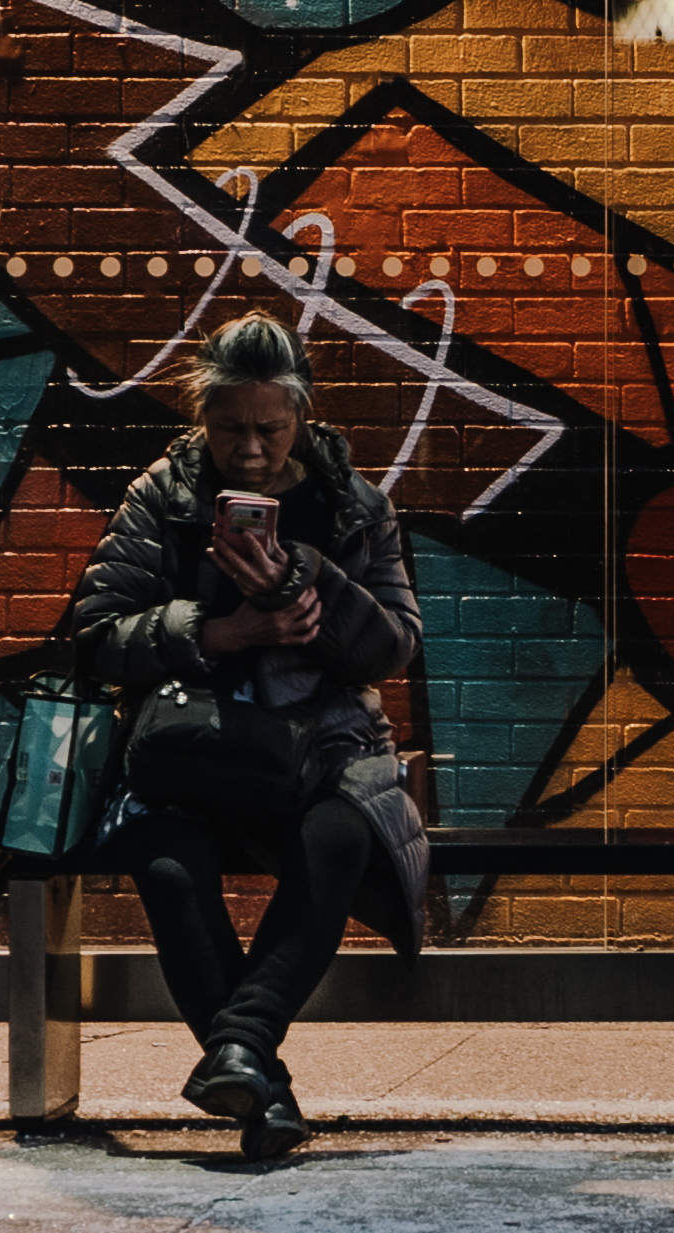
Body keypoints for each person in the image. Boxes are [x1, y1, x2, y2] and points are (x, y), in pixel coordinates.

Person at [56, 317, 427, 1159]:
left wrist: (306, 585)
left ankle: (243, 1052)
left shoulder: (354, 507)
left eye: (270, 428)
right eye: (230, 429)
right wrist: (222, 632)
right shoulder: (161, 497)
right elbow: (95, 635)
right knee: (167, 867)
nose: (251, 451)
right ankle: (264, 1085)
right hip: (188, 751)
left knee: (340, 838)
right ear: (202, 416)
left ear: (302, 415)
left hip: (324, 751)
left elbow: (395, 645)